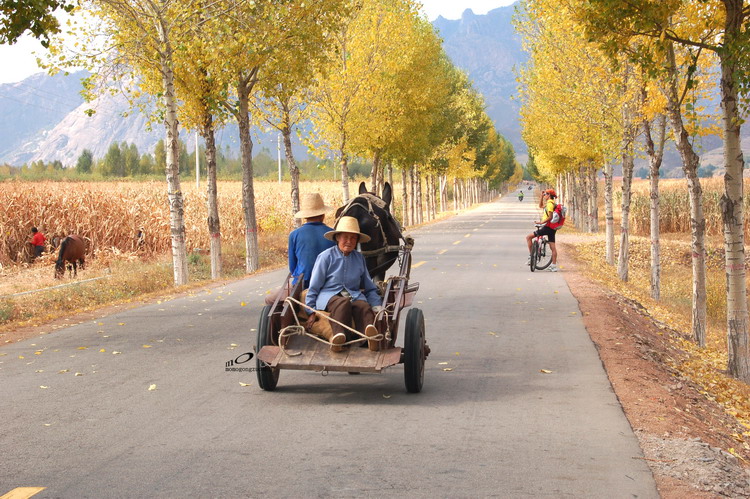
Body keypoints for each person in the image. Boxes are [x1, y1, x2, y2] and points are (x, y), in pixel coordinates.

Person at [305, 216, 383, 352]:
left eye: (353, 238)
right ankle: (339, 337)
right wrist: (310, 311)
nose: (349, 241)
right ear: (337, 238)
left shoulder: (359, 258)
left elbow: (369, 287)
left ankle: (369, 337)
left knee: (363, 306)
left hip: (353, 296)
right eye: (345, 237)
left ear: (357, 241)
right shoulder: (325, 257)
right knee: (344, 303)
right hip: (329, 297)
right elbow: (314, 286)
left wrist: (377, 306)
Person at [288, 193, 336, 288]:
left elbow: (292, 267)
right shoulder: (333, 234)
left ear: (305, 217)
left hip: (303, 283)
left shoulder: (294, 235)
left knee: (270, 299)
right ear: (323, 215)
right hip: (329, 283)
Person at [525, 189, 559, 272]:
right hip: (551, 228)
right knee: (552, 247)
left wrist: (541, 222)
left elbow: (550, 217)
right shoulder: (549, 203)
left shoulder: (550, 204)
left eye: (546, 194)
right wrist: (541, 196)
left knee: (528, 237)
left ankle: (531, 256)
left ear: (550, 195)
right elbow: (540, 206)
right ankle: (554, 266)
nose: (545, 195)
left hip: (547, 226)